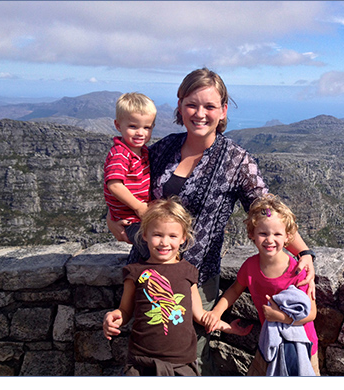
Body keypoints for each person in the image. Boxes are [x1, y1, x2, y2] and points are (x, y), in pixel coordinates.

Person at [107, 68, 317, 375]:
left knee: (194, 354)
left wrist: (304, 252)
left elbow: (266, 210)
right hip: (146, 269)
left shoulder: (235, 160)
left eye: (209, 106)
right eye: (192, 104)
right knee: (145, 349)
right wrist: (112, 218)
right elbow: (126, 184)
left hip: (197, 277)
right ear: (179, 106)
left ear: (223, 110)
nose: (200, 113)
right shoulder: (163, 149)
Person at [102, 197, 251, 376]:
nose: (165, 242)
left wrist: (227, 327)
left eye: (172, 236)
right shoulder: (135, 272)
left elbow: (199, 315)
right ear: (144, 235)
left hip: (181, 364)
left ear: (183, 239)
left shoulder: (188, 271)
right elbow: (125, 311)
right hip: (142, 363)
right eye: (157, 235)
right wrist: (115, 316)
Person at [202, 194, 320, 376]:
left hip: (302, 345)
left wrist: (280, 317)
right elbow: (234, 289)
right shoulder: (250, 266)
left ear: (288, 236)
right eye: (263, 233)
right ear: (252, 235)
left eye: (277, 234)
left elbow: (311, 313)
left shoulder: (297, 271)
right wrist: (216, 313)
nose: (270, 240)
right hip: (270, 342)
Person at [103, 92, 156, 246]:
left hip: (139, 218)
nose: (140, 133)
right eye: (133, 126)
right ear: (118, 125)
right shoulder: (120, 154)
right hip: (129, 222)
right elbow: (114, 185)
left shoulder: (143, 152)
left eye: (147, 127)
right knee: (153, 247)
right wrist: (139, 207)